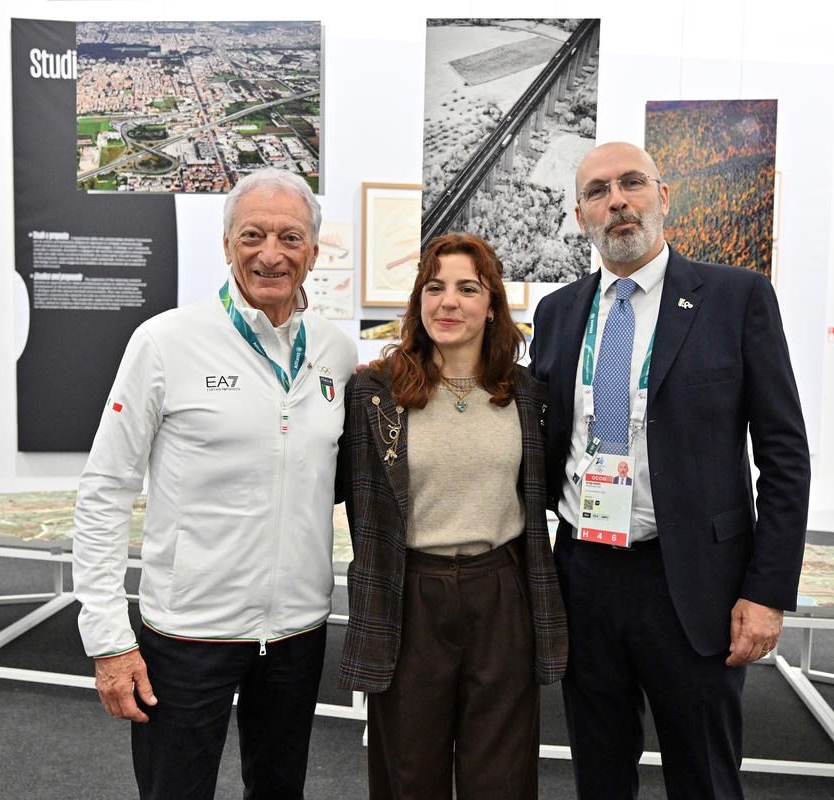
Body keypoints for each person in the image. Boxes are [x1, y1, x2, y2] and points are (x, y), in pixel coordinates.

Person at [529, 142, 810, 799]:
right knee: (599, 774)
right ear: (580, 215)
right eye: (598, 191)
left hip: (693, 581)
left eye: (631, 183)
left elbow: (784, 455)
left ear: (662, 196)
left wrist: (767, 592)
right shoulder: (558, 313)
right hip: (584, 575)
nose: (617, 201)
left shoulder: (736, 298)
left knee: (704, 776)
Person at [72, 168, 357, 800]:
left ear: (313, 251)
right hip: (188, 633)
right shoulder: (166, 341)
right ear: (227, 245)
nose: (271, 254)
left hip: (296, 633)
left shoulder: (334, 352)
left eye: (290, 237)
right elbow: (105, 489)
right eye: (253, 235)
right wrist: (108, 638)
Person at [338, 232, 568, 800]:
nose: (448, 302)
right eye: (434, 287)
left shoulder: (526, 395)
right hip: (409, 592)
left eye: (468, 289)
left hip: (501, 591)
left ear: (492, 306)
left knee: (502, 775)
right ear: (418, 300)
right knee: (409, 772)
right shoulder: (375, 392)